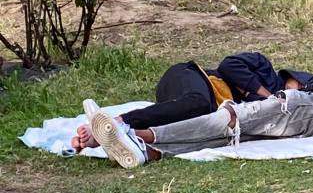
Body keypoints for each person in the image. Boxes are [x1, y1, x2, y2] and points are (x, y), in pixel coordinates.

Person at [87, 64, 313, 168]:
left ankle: (139, 137)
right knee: (229, 132)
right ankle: (147, 150)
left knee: (229, 122)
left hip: (308, 109)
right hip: (304, 109)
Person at [71, 52, 285, 151]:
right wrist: (266, 95)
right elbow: (230, 65)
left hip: (196, 104)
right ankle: (116, 121)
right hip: (188, 76)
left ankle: (110, 137)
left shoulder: (274, 111)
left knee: (196, 121)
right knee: (197, 103)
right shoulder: (265, 70)